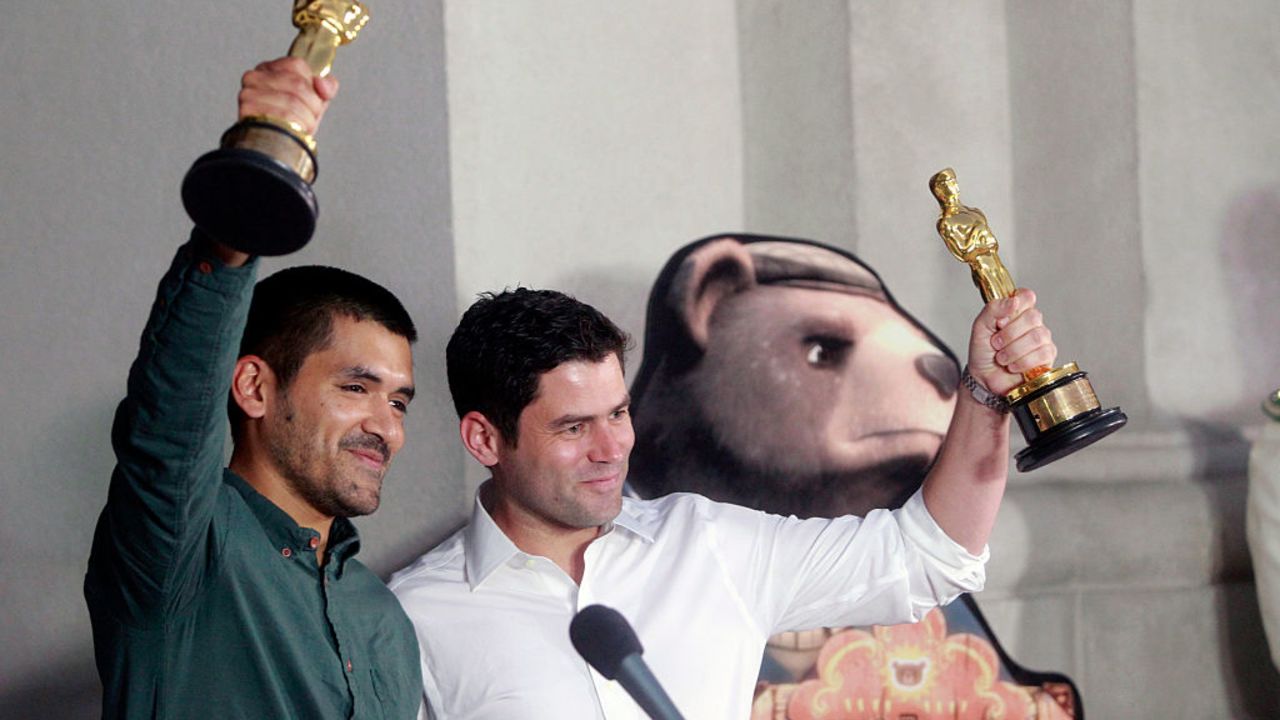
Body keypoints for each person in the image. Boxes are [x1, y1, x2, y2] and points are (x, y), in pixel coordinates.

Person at [389, 280, 1057, 719]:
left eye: (617, 414)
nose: (611, 448)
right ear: (484, 438)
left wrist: (988, 396)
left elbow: (929, 556)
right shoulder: (411, 617)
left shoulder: (709, 544)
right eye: (572, 427)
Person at [84, 56, 423, 719]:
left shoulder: (384, 618)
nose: (386, 426)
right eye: (357, 388)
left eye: (399, 400)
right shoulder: (180, 554)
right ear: (254, 388)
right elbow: (169, 418)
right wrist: (248, 200)